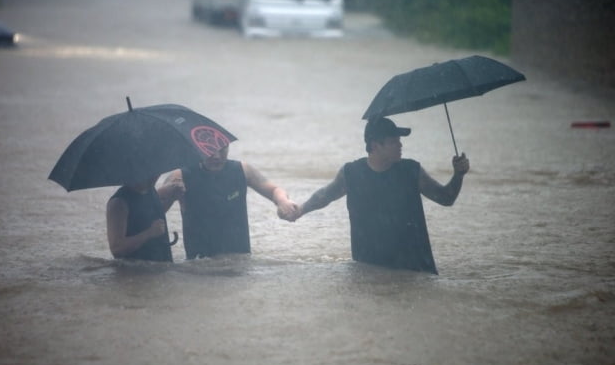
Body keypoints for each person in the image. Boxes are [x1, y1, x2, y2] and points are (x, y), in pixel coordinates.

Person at [291, 117, 470, 274]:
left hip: (415, 270)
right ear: (376, 146)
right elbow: (325, 196)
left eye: (399, 140)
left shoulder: (411, 171)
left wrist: (458, 175)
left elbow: (446, 198)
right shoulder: (352, 174)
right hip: (369, 271)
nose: (401, 145)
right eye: (394, 141)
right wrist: (300, 210)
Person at [162, 144, 298, 259]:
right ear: (198, 148)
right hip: (199, 263)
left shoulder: (242, 170)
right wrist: (168, 191)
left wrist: (283, 201)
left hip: (239, 259)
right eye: (209, 150)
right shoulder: (180, 176)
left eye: (222, 150)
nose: (216, 156)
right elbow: (155, 212)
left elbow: (274, 189)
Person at [106, 176, 181, 262]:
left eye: (157, 174)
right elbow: (117, 248)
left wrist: (171, 199)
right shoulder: (118, 203)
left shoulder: (150, 191)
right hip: (136, 272)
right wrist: (149, 233)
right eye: (152, 174)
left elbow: (151, 217)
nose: (155, 177)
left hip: (161, 267)